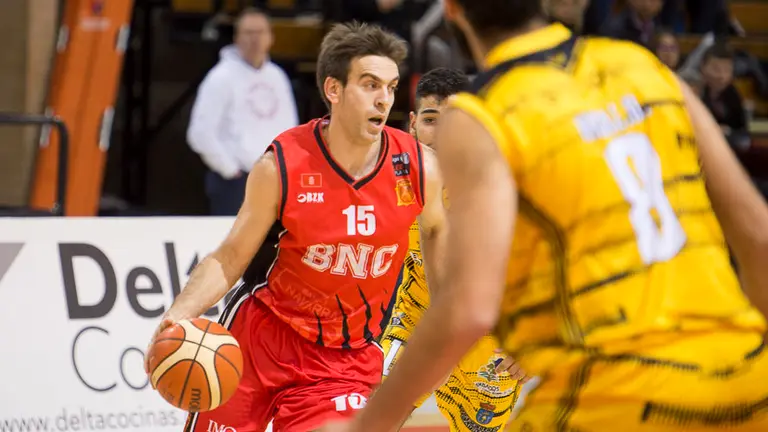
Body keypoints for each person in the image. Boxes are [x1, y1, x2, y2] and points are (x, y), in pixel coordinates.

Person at [322, 0, 768, 431]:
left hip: (615, 391)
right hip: (743, 374)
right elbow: (758, 235)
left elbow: (468, 307)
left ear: (452, 10)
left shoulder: (484, 116)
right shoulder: (644, 67)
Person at [146, 21, 447, 432]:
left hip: (343, 360)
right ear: (334, 89)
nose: (384, 99)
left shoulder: (418, 168)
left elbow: (437, 230)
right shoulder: (282, 165)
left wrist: (444, 313)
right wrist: (178, 315)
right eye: (370, 85)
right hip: (260, 340)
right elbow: (231, 256)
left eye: (391, 87)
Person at [379, 67, 524, 432]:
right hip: (416, 321)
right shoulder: (387, 175)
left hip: (488, 338)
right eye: (431, 120)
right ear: (412, 123)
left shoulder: (505, 186)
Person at [187, 7, 298, 216]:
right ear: (237, 38)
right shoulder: (221, 77)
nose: (255, 39)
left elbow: (291, 128)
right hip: (235, 183)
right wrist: (230, 170)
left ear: (271, 37)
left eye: (260, 32)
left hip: (275, 181)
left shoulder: (277, 76)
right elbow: (200, 133)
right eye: (248, 33)